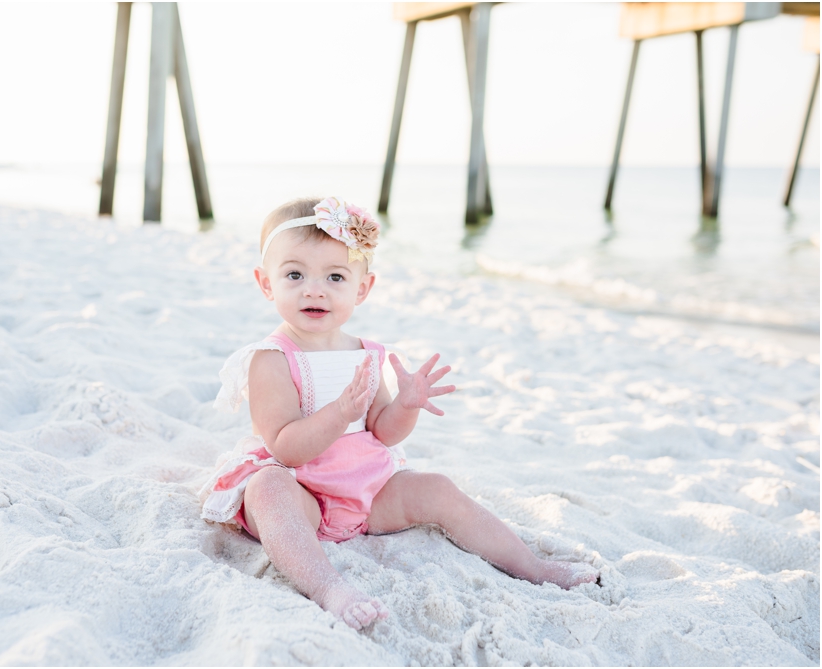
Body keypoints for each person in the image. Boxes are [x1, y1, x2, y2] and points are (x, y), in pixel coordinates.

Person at [199, 196, 599, 631]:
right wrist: (337, 414)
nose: (314, 289)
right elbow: (285, 447)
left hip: (368, 490)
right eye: (294, 274)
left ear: (362, 288)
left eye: (335, 276)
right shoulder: (272, 358)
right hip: (305, 495)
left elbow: (383, 433)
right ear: (266, 283)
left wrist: (405, 406)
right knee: (267, 490)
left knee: (439, 489)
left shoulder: (367, 354)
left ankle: (532, 566)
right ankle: (328, 587)